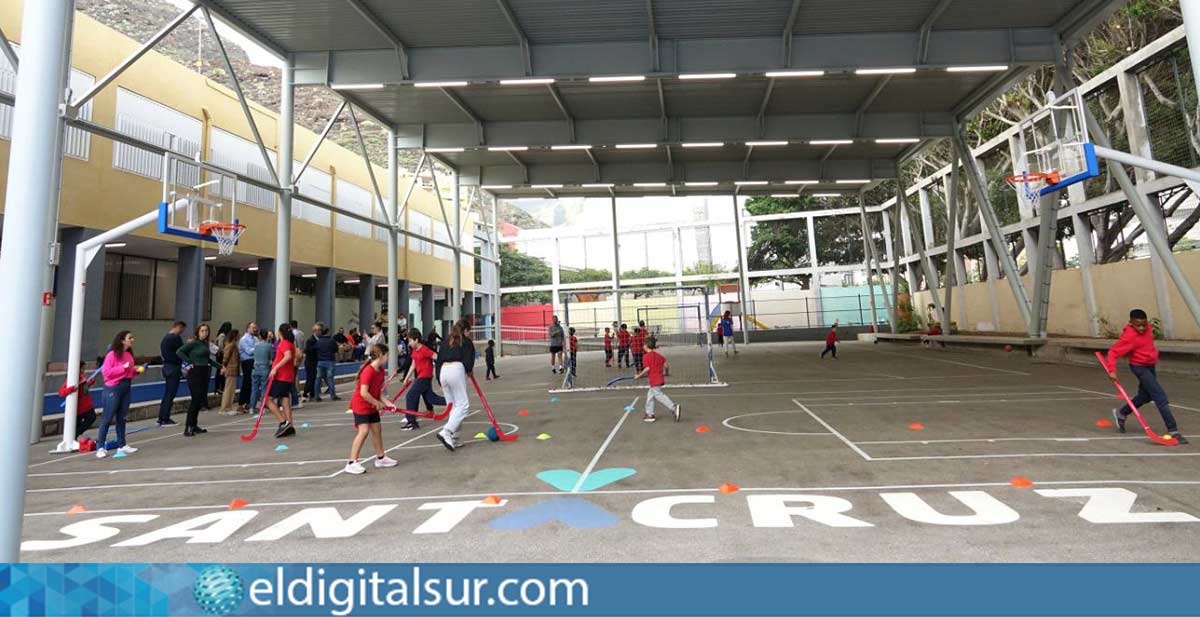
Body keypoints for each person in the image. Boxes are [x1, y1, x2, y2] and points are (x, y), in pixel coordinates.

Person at [1106, 309, 1187, 444]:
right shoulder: (1129, 337)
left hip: (1150, 366)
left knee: (1145, 396)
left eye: (1144, 324)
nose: (1142, 328)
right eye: (1138, 325)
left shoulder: (1148, 328)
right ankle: (1173, 431)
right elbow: (1113, 352)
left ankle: (1122, 413)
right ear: (1131, 323)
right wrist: (1111, 370)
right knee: (1159, 396)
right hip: (1139, 367)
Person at [344, 343, 400, 474]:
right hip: (361, 405)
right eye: (387, 355)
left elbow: (378, 392)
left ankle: (381, 458)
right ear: (381, 355)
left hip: (371, 405)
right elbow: (364, 393)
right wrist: (376, 403)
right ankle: (351, 462)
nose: (387, 358)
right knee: (363, 431)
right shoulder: (368, 371)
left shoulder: (380, 371)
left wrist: (388, 403)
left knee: (377, 430)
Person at [96, 330, 139, 458]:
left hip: (126, 386)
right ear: (122, 340)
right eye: (129, 337)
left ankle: (122, 444)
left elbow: (129, 372)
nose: (132, 340)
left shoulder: (129, 355)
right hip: (113, 388)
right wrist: (123, 368)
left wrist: (137, 371)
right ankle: (100, 447)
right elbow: (106, 373)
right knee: (107, 418)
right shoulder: (112, 355)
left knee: (122, 417)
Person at [435, 318, 476, 452]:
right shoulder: (466, 342)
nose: (469, 334)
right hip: (456, 370)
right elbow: (468, 361)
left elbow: (438, 359)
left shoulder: (446, 341)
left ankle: (454, 438)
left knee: (453, 407)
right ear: (465, 330)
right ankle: (446, 431)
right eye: (469, 331)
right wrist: (469, 371)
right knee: (463, 405)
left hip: (443, 372)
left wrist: (439, 380)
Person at [402, 328, 446, 431]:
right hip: (420, 377)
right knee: (431, 398)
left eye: (410, 341)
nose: (409, 343)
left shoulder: (424, 349)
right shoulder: (414, 350)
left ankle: (411, 422)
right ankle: (452, 401)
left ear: (416, 340)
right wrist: (406, 378)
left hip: (425, 377)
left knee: (410, 395)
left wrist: (445, 367)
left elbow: (437, 357)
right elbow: (413, 365)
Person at [176, 323, 213, 436]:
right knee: (195, 399)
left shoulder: (205, 344)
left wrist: (221, 367)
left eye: (206, 331)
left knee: (200, 399)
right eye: (202, 330)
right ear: (198, 332)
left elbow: (208, 360)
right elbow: (179, 352)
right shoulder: (194, 343)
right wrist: (190, 361)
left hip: (204, 371)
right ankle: (188, 427)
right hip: (195, 372)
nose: (204, 333)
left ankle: (194, 425)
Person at [635, 336, 680, 423]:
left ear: (646, 346)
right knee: (650, 396)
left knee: (658, 395)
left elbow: (647, 368)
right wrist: (666, 373)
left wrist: (639, 375)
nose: (643, 346)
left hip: (654, 380)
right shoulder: (659, 356)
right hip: (659, 379)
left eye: (643, 344)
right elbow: (666, 366)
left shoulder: (646, 357)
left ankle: (673, 408)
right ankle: (650, 414)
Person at [267, 323, 299, 438]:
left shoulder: (284, 344)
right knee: (285, 401)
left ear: (279, 332)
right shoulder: (291, 344)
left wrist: (275, 368)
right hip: (287, 377)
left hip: (281, 377)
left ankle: (283, 422)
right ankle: (290, 426)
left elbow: (288, 356)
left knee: (268, 400)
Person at [156, 320, 186, 426]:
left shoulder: (165, 338)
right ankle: (165, 418)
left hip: (167, 367)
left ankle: (161, 417)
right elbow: (182, 350)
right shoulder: (175, 338)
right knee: (170, 394)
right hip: (174, 368)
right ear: (179, 327)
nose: (182, 332)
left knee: (167, 393)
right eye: (182, 329)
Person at [58, 362, 97, 439]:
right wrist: (71, 389)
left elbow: (84, 389)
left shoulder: (82, 377)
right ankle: (74, 436)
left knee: (91, 418)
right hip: (79, 408)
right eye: (82, 369)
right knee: (77, 425)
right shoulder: (71, 380)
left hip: (87, 406)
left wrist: (90, 383)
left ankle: (75, 435)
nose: (84, 370)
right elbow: (61, 392)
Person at [218, 328, 241, 415]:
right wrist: (224, 367)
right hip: (231, 369)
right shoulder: (231, 345)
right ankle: (225, 408)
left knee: (231, 389)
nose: (239, 336)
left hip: (233, 369)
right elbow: (226, 357)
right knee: (228, 389)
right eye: (238, 334)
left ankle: (228, 407)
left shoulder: (232, 345)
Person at [314, 324, 339, 401]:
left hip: (320, 361)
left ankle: (316, 396)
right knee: (330, 379)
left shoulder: (318, 341)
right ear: (328, 332)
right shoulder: (332, 340)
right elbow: (336, 349)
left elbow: (315, 349)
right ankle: (333, 395)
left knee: (318, 379)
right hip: (330, 361)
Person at [250, 329, 273, 413]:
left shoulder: (256, 345)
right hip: (265, 368)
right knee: (264, 388)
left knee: (254, 388)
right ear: (267, 336)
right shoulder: (269, 346)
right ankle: (262, 407)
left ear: (259, 336)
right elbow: (271, 358)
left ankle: (252, 407)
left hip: (255, 368)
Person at [237, 323, 258, 410]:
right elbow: (249, 351)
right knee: (247, 381)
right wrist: (257, 347)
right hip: (247, 361)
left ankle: (250, 402)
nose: (255, 329)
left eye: (255, 328)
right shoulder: (244, 339)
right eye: (253, 328)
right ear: (248, 328)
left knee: (253, 382)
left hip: (254, 361)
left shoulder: (256, 338)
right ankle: (242, 402)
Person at [213, 321, 233, 395]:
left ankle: (220, 387)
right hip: (221, 356)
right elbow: (221, 346)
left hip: (221, 355)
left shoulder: (222, 335)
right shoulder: (222, 335)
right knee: (220, 371)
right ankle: (218, 387)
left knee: (221, 372)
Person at [303, 322, 321, 402]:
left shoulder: (319, 340)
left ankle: (312, 393)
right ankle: (305, 393)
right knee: (310, 378)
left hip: (316, 361)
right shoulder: (310, 340)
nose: (320, 332)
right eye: (319, 330)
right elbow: (308, 350)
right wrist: (317, 347)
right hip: (310, 362)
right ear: (315, 331)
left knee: (314, 378)